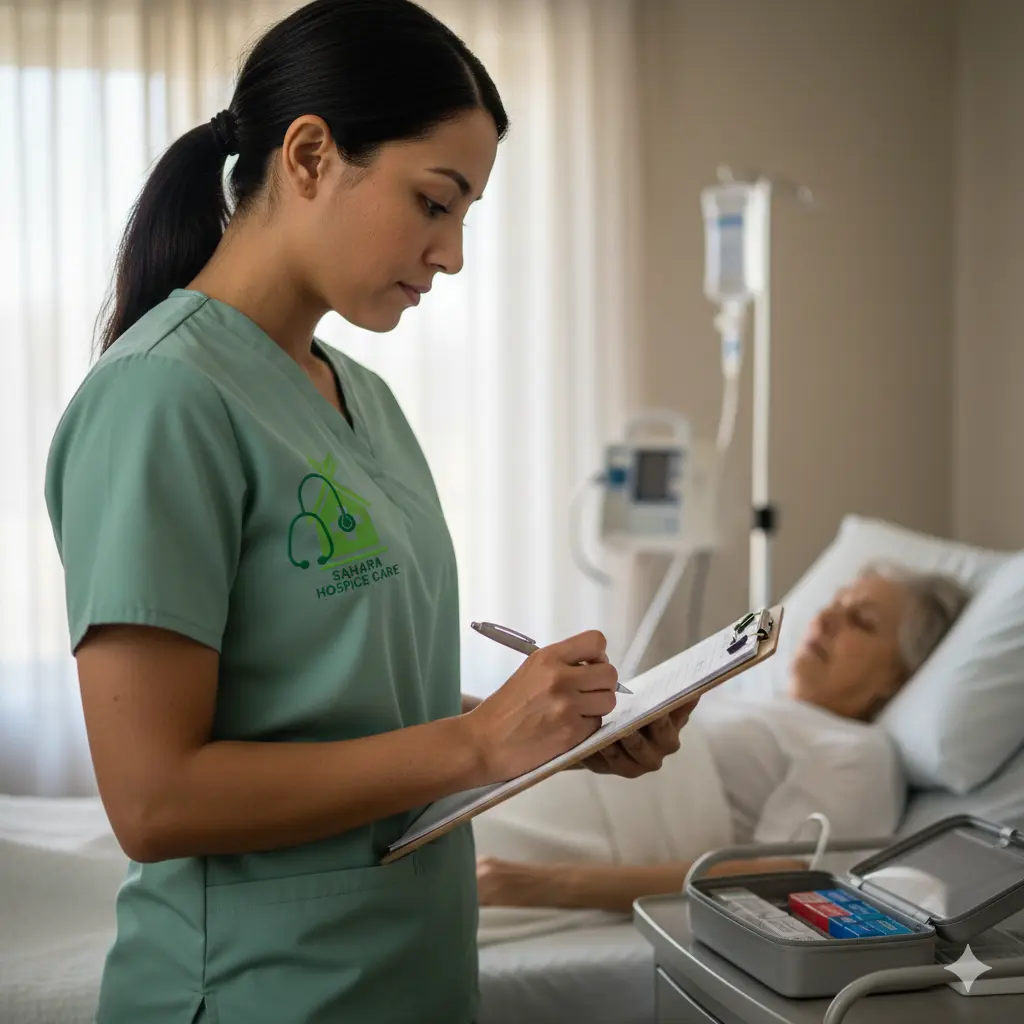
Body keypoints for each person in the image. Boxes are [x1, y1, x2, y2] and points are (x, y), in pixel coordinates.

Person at [42, 3, 695, 1021]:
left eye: (467, 213)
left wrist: (550, 728)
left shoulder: (363, 399)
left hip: (410, 971)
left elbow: (359, 708)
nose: (453, 254)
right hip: (262, 990)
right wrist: (477, 742)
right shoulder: (160, 399)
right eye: (435, 202)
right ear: (309, 154)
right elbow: (154, 800)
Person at [474, 563, 971, 915]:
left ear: (898, 676)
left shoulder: (858, 752)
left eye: (860, 621)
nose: (823, 620)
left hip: (584, 832)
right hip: (540, 772)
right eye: (833, 606)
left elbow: (777, 878)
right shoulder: (755, 706)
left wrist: (535, 883)